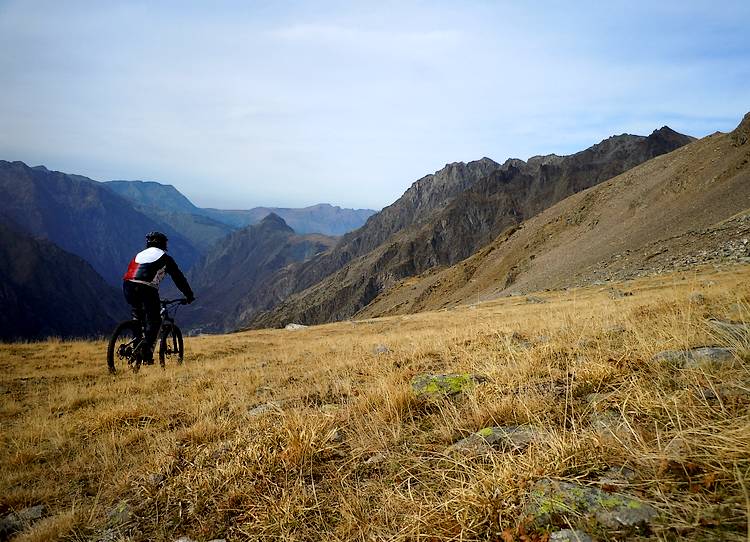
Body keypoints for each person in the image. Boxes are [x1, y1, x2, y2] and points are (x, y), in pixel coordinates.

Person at [122, 231, 194, 364]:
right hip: (146, 288)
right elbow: (178, 278)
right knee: (154, 320)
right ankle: (147, 354)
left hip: (127, 285)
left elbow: (132, 272)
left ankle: (136, 347)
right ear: (163, 244)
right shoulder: (165, 258)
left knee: (138, 316)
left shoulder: (139, 254)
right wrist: (189, 295)